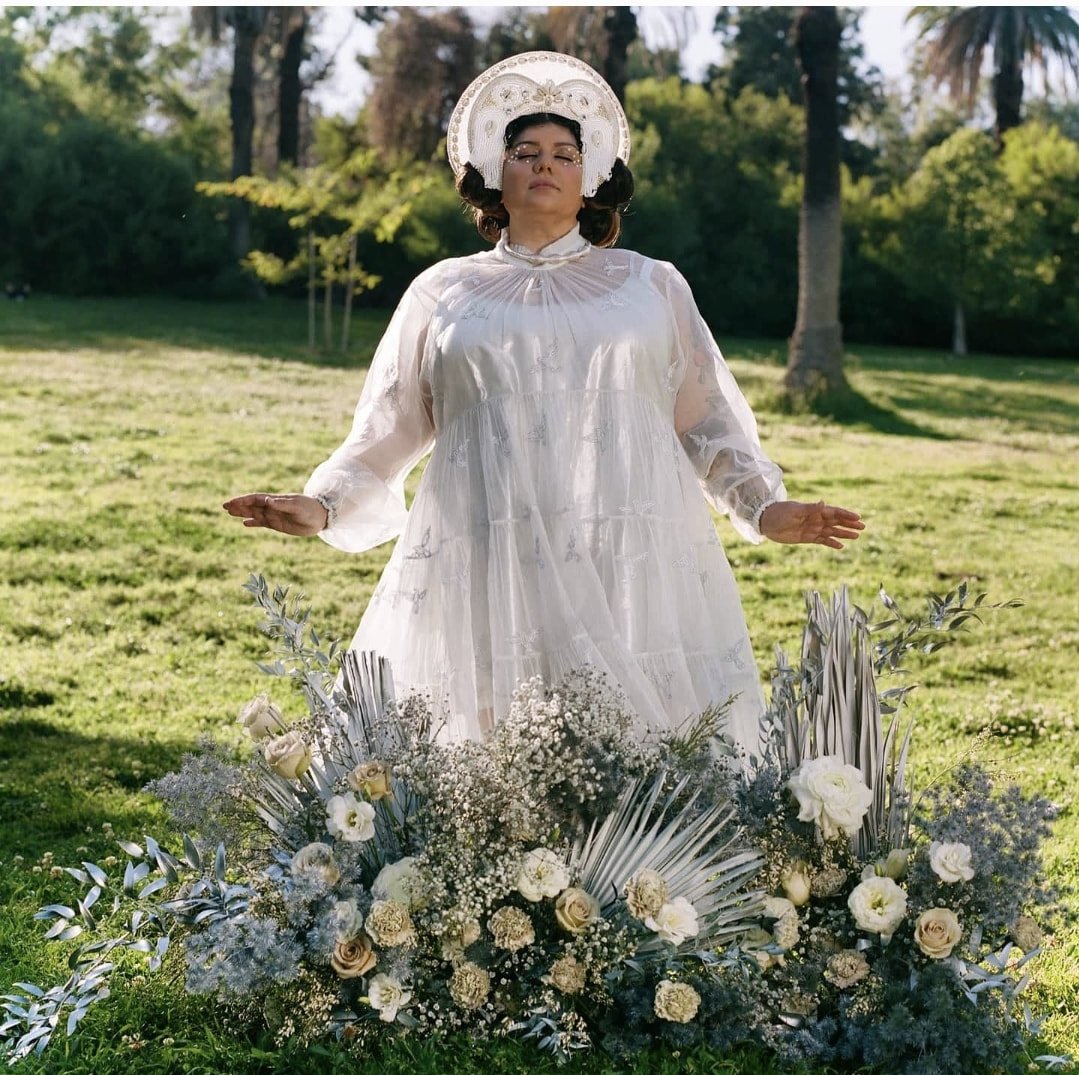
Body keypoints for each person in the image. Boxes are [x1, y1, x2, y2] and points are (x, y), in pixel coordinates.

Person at [224, 52, 862, 757]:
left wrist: (764, 507)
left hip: (625, 546)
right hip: (485, 540)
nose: (544, 164)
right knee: (484, 736)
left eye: (564, 152)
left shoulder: (649, 286)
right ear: (495, 172)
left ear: (590, 176)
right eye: (524, 151)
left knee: (635, 740)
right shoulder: (444, 291)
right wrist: (323, 504)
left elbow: (702, 418)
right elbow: (395, 421)